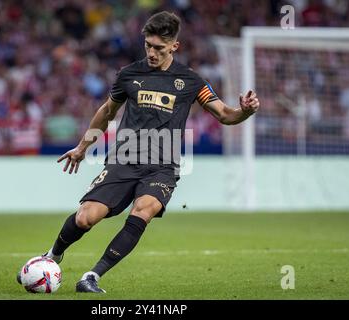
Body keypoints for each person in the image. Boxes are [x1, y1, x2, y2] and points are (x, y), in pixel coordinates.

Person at [17, 11, 260, 293]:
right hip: (123, 160)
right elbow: (107, 111)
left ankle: (92, 277)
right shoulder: (129, 75)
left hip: (162, 167)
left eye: (158, 48)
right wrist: (83, 147)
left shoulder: (190, 81)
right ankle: (52, 256)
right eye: (148, 46)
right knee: (85, 217)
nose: (152, 53)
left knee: (142, 210)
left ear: (174, 46)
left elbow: (225, 115)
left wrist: (244, 110)